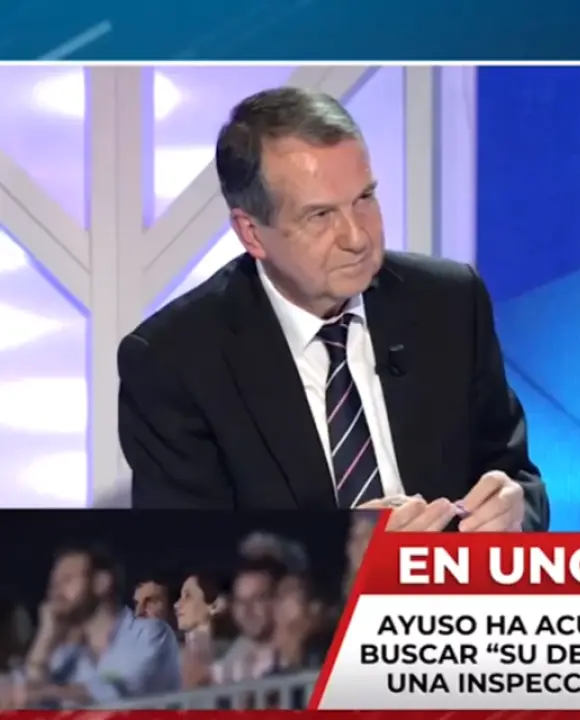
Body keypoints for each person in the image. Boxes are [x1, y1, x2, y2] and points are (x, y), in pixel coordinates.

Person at [117, 86, 548, 532]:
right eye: (320, 215)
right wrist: (337, 556)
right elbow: (184, 558)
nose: (357, 238)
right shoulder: (174, 362)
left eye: (365, 199)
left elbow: (516, 475)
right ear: (252, 233)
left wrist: (517, 513)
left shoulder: (449, 303)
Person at [6, 545, 181, 707]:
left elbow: (125, 694)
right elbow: (26, 702)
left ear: (102, 583)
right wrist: (44, 640)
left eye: (67, 580)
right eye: (53, 584)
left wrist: (47, 692)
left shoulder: (149, 633)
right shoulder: (65, 655)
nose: (55, 592)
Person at [173, 571, 228, 689]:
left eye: (188, 596)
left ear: (214, 606)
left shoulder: (230, 653)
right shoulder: (172, 656)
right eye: (180, 597)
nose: (177, 605)